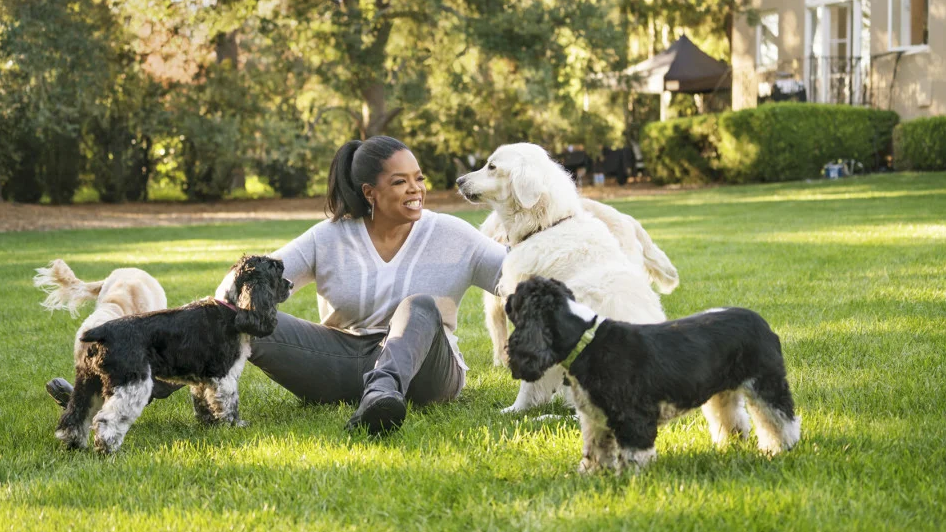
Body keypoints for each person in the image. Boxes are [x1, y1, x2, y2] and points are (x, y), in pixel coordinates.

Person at [46, 136, 507, 435]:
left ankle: (382, 398)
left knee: (421, 305)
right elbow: (245, 281)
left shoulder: (453, 234)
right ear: (369, 191)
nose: (417, 190)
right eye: (401, 181)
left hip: (426, 373)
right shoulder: (331, 236)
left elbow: (517, 280)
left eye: (419, 180)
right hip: (343, 361)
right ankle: (129, 379)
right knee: (242, 321)